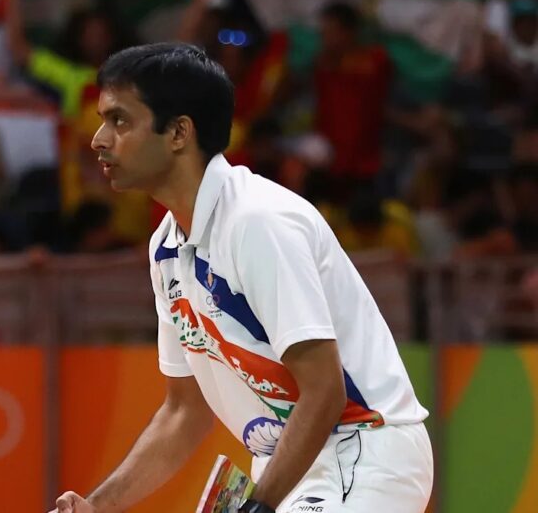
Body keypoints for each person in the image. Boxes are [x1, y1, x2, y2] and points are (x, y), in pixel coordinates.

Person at [50, 43, 432, 513]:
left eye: (120, 120)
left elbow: (325, 390)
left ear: (178, 133)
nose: (98, 139)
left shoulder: (256, 221)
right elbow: (183, 413)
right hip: (286, 469)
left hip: (361, 451)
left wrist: (259, 507)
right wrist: (96, 505)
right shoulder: (166, 246)